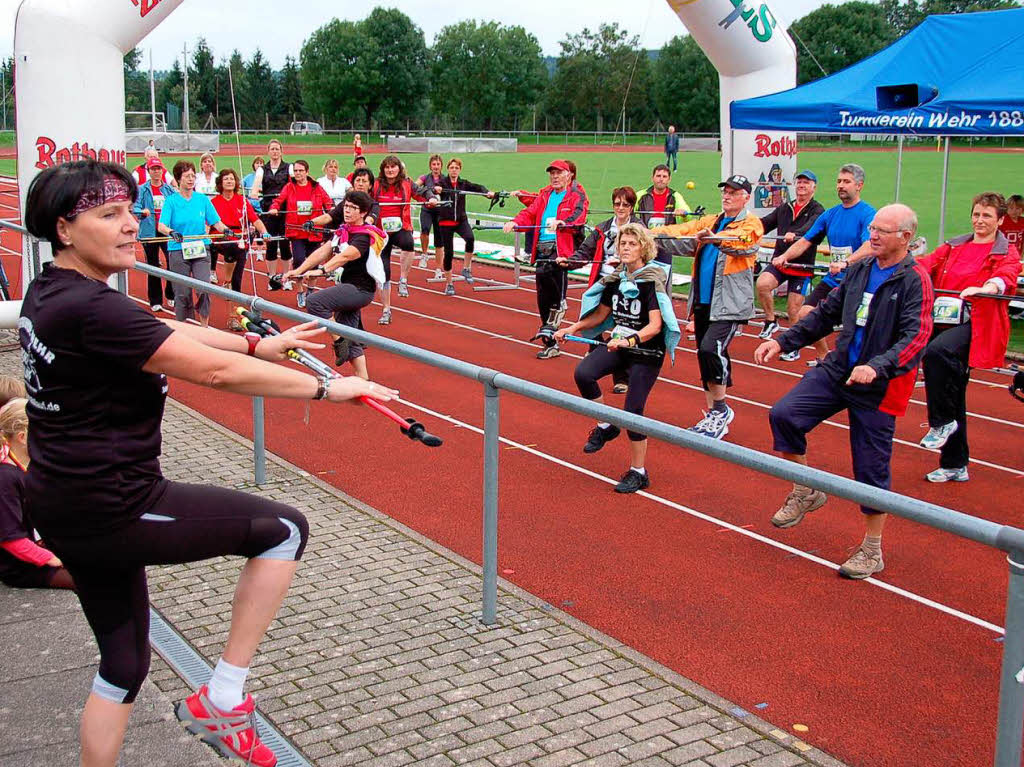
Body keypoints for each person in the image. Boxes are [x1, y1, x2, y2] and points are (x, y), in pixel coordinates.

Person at [21, 159, 398, 767]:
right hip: (114, 507)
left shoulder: (53, 290)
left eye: (131, 212)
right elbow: (212, 372)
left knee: (122, 664)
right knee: (284, 530)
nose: (130, 226)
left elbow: (157, 327)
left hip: (61, 504)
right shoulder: (93, 309)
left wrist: (256, 341)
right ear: (65, 230)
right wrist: (332, 390)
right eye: (109, 215)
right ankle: (222, 698)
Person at [753, 203, 934, 580]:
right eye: (873, 228)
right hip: (839, 369)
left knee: (870, 468)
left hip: (879, 385)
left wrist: (877, 366)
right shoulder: (860, 269)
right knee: (784, 415)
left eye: (882, 231)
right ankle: (805, 488)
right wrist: (785, 341)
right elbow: (825, 314)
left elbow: (915, 336)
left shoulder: (914, 279)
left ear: (905, 238)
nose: (873, 235)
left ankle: (872, 548)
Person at [555, 224, 679, 493]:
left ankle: (638, 472)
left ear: (643, 248)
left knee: (633, 411)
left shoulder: (651, 280)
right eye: (623, 243)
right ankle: (606, 425)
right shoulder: (617, 279)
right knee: (583, 374)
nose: (625, 248)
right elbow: (600, 315)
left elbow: (655, 325)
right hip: (620, 345)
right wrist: (571, 328)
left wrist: (629, 340)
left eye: (632, 244)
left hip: (646, 352)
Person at [916, 192, 1021, 482]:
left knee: (935, 354)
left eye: (987, 215)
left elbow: (1007, 276)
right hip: (943, 320)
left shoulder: (1004, 251)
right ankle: (955, 463)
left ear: (1000, 220)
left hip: (977, 323)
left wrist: (987, 287)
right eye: (976, 214)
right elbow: (927, 264)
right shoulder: (955, 245)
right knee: (952, 389)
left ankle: (940, 422)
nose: (979, 220)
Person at [651, 175, 763, 439]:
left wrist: (714, 239)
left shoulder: (750, 223)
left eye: (734, 192)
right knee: (704, 355)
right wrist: (650, 234)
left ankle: (721, 410)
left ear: (746, 197)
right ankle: (712, 414)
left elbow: (743, 245)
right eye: (725, 191)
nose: (727, 195)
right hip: (703, 300)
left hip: (730, 303)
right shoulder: (710, 220)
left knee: (710, 348)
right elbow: (684, 232)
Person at [774, 164, 875, 364]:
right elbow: (806, 241)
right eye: (839, 181)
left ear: (859, 185)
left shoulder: (868, 213)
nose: (841, 186)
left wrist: (847, 262)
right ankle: (824, 357)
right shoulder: (830, 214)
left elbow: (869, 245)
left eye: (846, 182)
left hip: (858, 280)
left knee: (854, 328)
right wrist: (785, 256)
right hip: (833, 279)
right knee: (805, 315)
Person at [283, 190, 386, 379]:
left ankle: (340, 341)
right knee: (350, 333)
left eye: (353, 208)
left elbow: (345, 256)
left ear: (363, 213)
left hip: (360, 290)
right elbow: (323, 252)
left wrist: (322, 271)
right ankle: (363, 379)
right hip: (349, 287)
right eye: (346, 206)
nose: (347, 211)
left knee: (314, 302)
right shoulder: (344, 231)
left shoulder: (364, 236)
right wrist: (298, 271)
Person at [503, 159, 590, 359]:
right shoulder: (545, 195)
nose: (555, 177)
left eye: (559, 173)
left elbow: (579, 216)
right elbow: (530, 213)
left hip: (560, 248)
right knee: (542, 295)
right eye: (552, 173)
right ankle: (549, 340)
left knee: (550, 274)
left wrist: (563, 223)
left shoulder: (576, 196)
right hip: (541, 248)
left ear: (569, 175)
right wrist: (515, 222)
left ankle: (560, 304)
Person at [0, 398, 76, 591]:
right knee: (95, 583)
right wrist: (50, 558)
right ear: (22, 436)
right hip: (22, 565)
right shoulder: (6, 479)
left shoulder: (29, 463)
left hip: (42, 546)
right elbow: (10, 538)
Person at [156, 160, 233, 327]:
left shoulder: (202, 200)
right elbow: (161, 225)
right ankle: (184, 325)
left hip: (200, 248)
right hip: (178, 249)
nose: (191, 179)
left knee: (204, 288)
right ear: (178, 179)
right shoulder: (171, 201)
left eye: (192, 176)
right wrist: (171, 232)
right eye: (186, 176)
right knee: (182, 292)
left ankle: (204, 325)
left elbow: (216, 222)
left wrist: (226, 230)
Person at [756, 170, 825, 339]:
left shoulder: (818, 209)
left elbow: (812, 227)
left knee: (793, 310)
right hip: (780, 261)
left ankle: (793, 344)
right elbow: (765, 224)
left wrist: (796, 233)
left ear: (813, 187)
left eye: (806, 183)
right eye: (799, 182)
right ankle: (771, 321)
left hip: (801, 265)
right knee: (762, 284)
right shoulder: (785, 208)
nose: (801, 186)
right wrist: (748, 226)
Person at [371, 156, 439, 324]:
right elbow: (363, 195)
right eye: (387, 167)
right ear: (383, 169)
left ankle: (403, 279)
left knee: (409, 243)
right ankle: (386, 309)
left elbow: (422, 191)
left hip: (401, 228)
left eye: (393, 167)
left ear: (399, 169)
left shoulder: (407, 183)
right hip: (381, 233)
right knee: (384, 273)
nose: (390, 170)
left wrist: (432, 198)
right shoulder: (377, 184)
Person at [210, 168, 272, 329]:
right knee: (232, 249)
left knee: (237, 279)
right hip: (222, 238)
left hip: (240, 239)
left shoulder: (242, 201)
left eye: (232, 179)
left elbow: (255, 219)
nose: (229, 181)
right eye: (226, 179)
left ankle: (232, 309)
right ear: (220, 183)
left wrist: (264, 232)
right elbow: (208, 222)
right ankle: (229, 285)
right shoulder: (214, 202)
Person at [266, 159, 333, 303]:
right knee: (298, 260)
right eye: (295, 171)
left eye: (301, 171)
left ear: (307, 172)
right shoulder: (289, 187)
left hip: (314, 231)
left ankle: (310, 292)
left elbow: (328, 203)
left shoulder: (317, 187)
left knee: (314, 264)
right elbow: (279, 200)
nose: (298, 173)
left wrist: (333, 212)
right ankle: (300, 291)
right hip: (296, 231)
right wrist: (274, 208)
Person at [433, 158, 494, 295]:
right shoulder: (442, 183)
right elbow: (432, 190)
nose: (454, 170)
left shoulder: (463, 183)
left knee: (470, 238)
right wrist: (436, 190)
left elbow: (477, 187)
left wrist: (487, 193)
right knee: (449, 253)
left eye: (456, 168)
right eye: (452, 167)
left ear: (459, 169)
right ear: (448, 169)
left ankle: (466, 268)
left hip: (461, 220)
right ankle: (449, 283)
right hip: (446, 222)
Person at [133, 158, 177, 312]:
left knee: (172, 263)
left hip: (166, 231)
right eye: (153, 169)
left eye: (159, 168)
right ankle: (155, 300)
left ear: (162, 171)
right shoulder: (142, 189)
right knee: (153, 266)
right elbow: (135, 207)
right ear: (149, 171)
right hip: (149, 232)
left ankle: (171, 295)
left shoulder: (169, 190)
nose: (156, 171)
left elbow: (176, 207)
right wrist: (142, 212)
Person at [252, 139, 293, 274]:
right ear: (268, 152)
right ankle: (272, 277)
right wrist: (255, 193)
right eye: (272, 149)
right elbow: (255, 188)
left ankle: (286, 276)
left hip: (285, 209)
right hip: (268, 210)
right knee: (270, 243)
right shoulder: (262, 170)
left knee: (285, 243)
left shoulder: (289, 167)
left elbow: (294, 186)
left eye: (277, 149)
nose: (275, 152)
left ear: (281, 151)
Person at [635, 164, 690, 229]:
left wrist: (683, 213)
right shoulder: (640, 195)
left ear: (669, 179)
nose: (661, 179)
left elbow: (688, 215)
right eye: (658, 176)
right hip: (646, 236)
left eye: (664, 176)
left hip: (668, 236)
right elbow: (628, 209)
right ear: (652, 178)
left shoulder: (675, 196)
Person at [418, 154, 446, 276]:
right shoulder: (424, 178)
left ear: (441, 166)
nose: (436, 167)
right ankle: (424, 254)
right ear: (430, 166)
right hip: (427, 209)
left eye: (438, 164)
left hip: (440, 211)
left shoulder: (445, 179)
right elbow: (415, 186)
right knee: (425, 230)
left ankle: (438, 269)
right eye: (433, 164)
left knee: (439, 240)